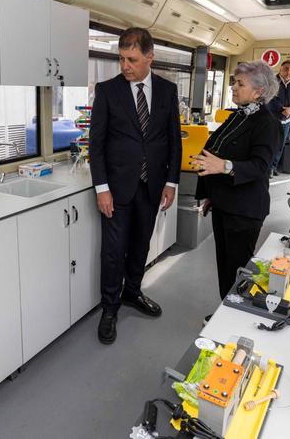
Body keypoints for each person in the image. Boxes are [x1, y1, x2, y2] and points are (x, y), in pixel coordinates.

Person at [89, 27, 182, 345]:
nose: (125, 66)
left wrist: (171, 181)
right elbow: (96, 144)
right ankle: (110, 308)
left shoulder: (168, 91)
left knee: (141, 244)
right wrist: (101, 188)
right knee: (113, 252)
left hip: (151, 185)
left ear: (149, 57)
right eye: (121, 59)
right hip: (116, 188)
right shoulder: (107, 91)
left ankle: (132, 291)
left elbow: (174, 141)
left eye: (132, 59)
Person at [193, 61, 283, 299]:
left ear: (258, 91)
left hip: (245, 209)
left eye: (240, 84)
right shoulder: (238, 116)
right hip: (224, 202)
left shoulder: (268, 124)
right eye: (234, 82)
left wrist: (223, 165)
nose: (233, 87)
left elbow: (260, 166)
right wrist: (212, 195)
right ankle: (225, 308)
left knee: (238, 270)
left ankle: (235, 311)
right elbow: (217, 149)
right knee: (224, 266)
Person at [267, 60, 290, 176]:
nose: (288, 72)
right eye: (286, 68)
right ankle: (267, 167)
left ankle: (273, 167)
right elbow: (269, 98)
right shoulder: (272, 82)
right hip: (273, 119)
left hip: (286, 120)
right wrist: (283, 109)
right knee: (270, 144)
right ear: (280, 69)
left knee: (280, 145)